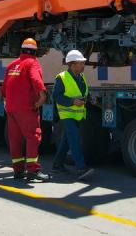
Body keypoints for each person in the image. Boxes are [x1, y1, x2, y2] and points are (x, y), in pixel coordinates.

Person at [1, 38, 51, 181]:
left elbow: (4, 89)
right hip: (26, 108)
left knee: (15, 139)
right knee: (33, 137)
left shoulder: (11, 65)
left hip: (11, 108)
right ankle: (33, 170)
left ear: (21, 50)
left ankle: (18, 170)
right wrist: (42, 97)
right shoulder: (32, 63)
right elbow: (36, 80)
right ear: (35, 51)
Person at [51, 50, 95, 181]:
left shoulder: (81, 77)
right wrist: (72, 102)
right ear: (72, 64)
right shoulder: (62, 77)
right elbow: (56, 96)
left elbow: (82, 93)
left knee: (66, 140)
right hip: (67, 114)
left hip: (78, 115)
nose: (83, 65)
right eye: (81, 63)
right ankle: (81, 168)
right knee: (74, 139)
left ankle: (57, 165)